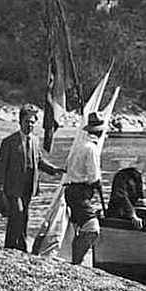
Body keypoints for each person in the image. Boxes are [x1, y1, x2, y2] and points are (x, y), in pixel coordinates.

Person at [0, 104, 64, 251]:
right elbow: (0, 167)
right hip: (12, 186)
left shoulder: (35, 140)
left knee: (23, 216)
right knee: (18, 213)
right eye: (27, 121)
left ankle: (13, 245)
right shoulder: (9, 142)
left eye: (33, 122)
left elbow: (39, 161)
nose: (30, 125)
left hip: (28, 186)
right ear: (20, 122)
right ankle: (19, 246)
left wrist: (54, 170)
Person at [63, 112, 108, 264]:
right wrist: (99, 184)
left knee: (79, 226)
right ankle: (76, 262)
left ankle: (75, 260)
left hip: (71, 190)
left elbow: (68, 167)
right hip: (79, 192)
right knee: (92, 227)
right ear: (100, 132)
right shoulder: (91, 149)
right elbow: (94, 177)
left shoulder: (78, 146)